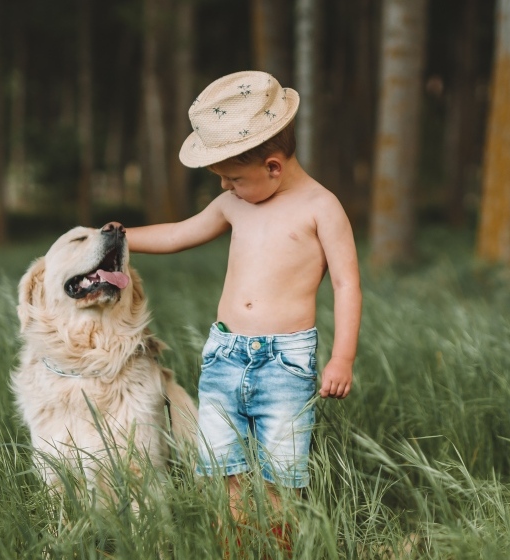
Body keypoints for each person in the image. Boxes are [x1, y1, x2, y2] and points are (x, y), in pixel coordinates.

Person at [125, 71, 361, 527]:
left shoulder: (321, 207)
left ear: (273, 166)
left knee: (281, 474)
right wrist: (118, 239)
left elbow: (347, 284)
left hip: (285, 363)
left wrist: (342, 358)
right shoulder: (236, 203)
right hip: (224, 356)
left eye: (232, 178)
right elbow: (177, 234)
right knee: (221, 467)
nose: (224, 187)